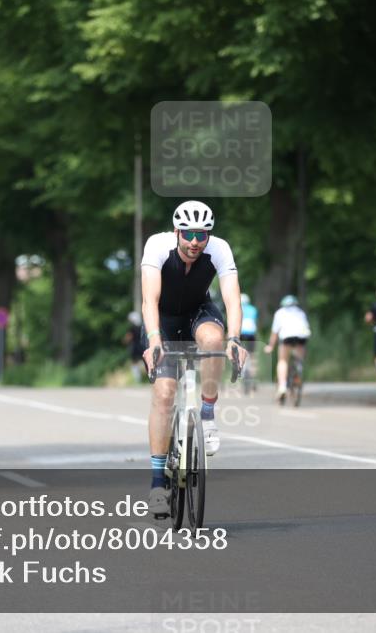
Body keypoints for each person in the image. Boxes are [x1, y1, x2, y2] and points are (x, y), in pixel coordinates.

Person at [140, 200, 247, 516]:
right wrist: (154, 339)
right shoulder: (157, 246)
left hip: (198, 313)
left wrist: (235, 339)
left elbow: (232, 299)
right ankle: (158, 483)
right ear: (177, 231)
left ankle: (208, 414)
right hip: (164, 321)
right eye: (188, 234)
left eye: (202, 234)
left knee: (214, 340)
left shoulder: (220, 249)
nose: (195, 242)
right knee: (164, 393)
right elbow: (149, 300)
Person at [264, 295, 311, 403]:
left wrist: (270, 346)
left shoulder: (280, 313)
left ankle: (282, 387)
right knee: (299, 357)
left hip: (287, 337)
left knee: (283, 361)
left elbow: (275, 333)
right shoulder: (301, 312)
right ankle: (299, 370)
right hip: (301, 337)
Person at [240, 293, 259, 386]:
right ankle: (253, 378)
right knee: (252, 356)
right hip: (251, 334)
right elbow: (254, 322)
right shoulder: (253, 309)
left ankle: (241, 370)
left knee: (239, 353)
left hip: (241, 333)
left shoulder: (237, 308)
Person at [122, 311, 144, 384]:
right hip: (143, 346)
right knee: (144, 360)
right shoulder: (143, 327)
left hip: (135, 347)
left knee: (134, 363)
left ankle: (138, 379)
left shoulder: (132, 328)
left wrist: (124, 341)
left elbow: (128, 338)